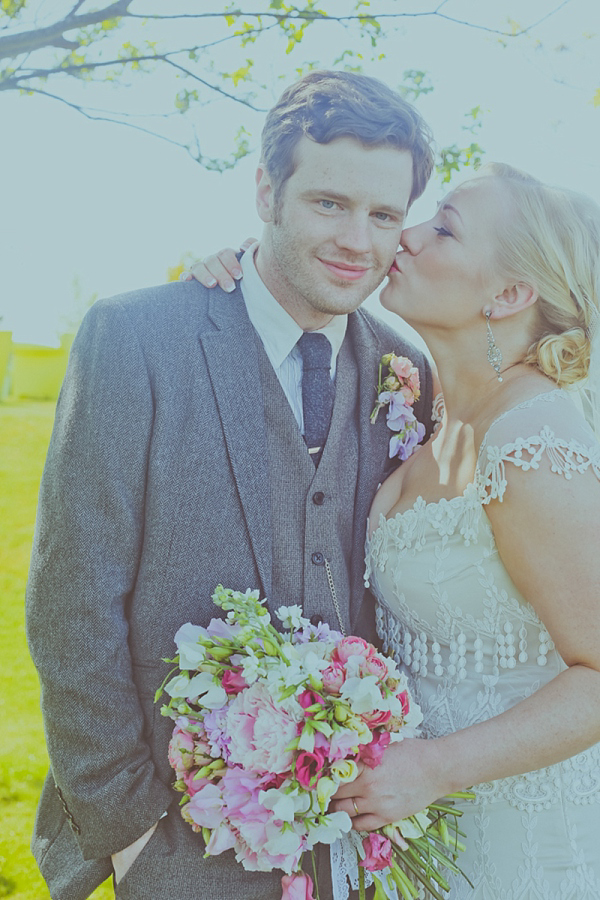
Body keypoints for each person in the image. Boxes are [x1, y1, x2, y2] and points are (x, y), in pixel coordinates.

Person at [25, 71, 437, 900]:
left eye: (384, 214)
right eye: (329, 203)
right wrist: (132, 834)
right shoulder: (134, 337)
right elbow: (73, 606)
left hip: (348, 845)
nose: (358, 239)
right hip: (172, 841)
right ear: (265, 191)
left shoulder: (407, 369)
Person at [196, 162, 600, 896]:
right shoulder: (424, 407)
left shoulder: (534, 443)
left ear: (509, 294)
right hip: (421, 837)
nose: (405, 235)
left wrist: (438, 768)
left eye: (442, 228)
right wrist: (244, 276)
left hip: (521, 845)